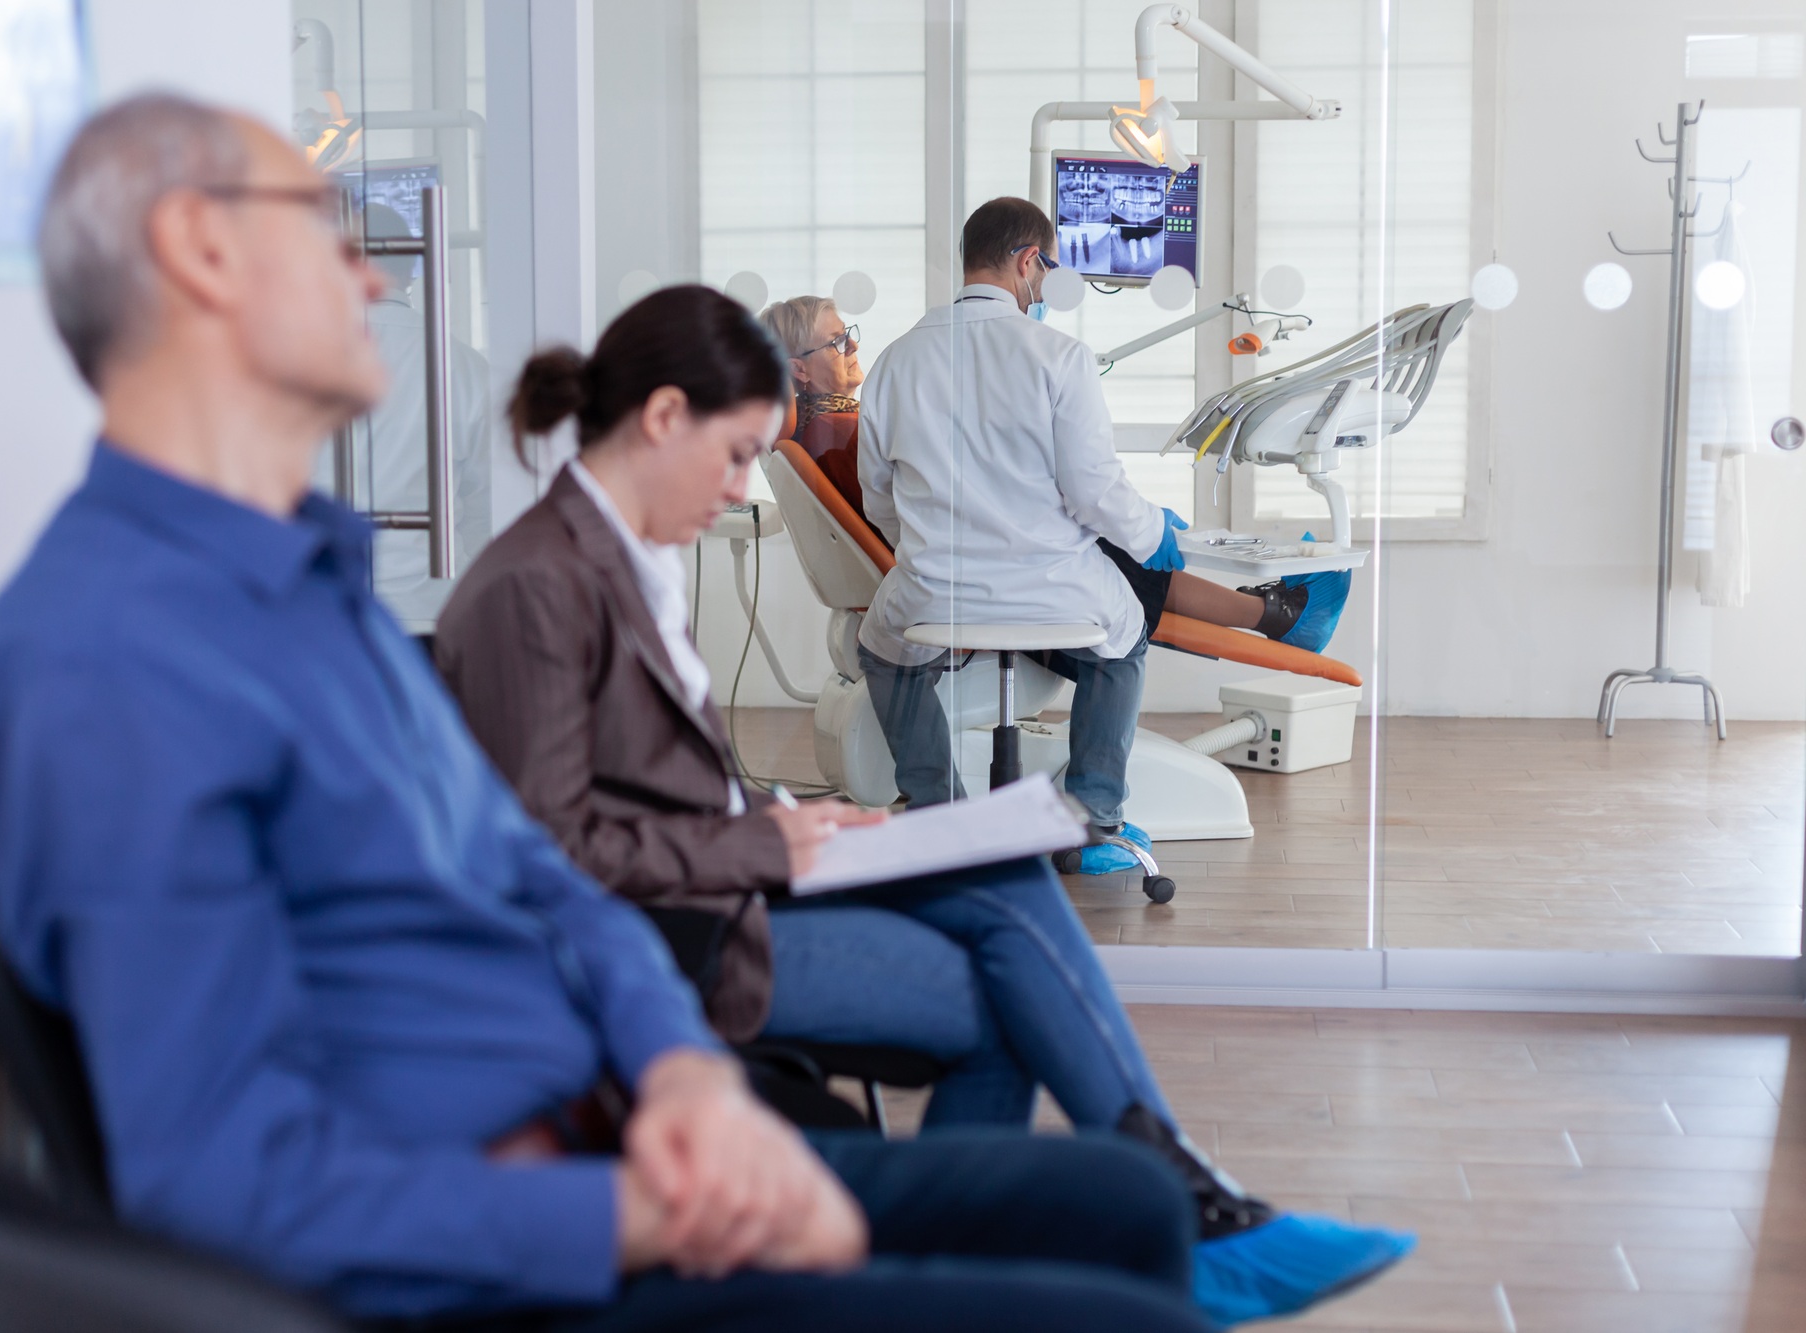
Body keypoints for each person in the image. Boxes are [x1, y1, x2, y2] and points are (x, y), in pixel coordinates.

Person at [0, 90, 1231, 1333]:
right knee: (1123, 1282)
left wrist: (674, 1073)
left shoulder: (312, 591)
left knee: (1116, 1202)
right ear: (199, 247)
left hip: (610, 1112)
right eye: (327, 230)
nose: (375, 275)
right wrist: (637, 1213)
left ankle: (1153, 1174)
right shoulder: (107, 665)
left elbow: (529, 877)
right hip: (529, 1249)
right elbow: (232, 1187)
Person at [433, 283, 1412, 1324]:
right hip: (668, 940)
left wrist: (780, 813)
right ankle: (1171, 1216)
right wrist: (763, 843)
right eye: (732, 457)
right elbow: (552, 853)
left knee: (992, 870)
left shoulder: (622, 566)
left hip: (725, 886)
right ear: (663, 415)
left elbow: (655, 783)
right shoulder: (532, 587)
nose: (734, 492)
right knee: (1005, 992)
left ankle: (1139, 1217)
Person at [852, 199, 1348, 877]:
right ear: (1029, 262)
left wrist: (937, 547)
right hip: (1053, 588)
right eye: (1047, 269)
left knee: (883, 651)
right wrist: (1155, 538)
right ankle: (1089, 814)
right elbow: (1093, 489)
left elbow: (879, 493)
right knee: (1122, 643)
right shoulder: (1059, 356)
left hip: (937, 590)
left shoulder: (893, 361)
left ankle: (940, 814)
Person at [756, 295, 1349, 651]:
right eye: (834, 343)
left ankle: (1268, 608)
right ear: (799, 372)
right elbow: (895, 508)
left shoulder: (830, 426)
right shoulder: (835, 434)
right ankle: (1273, 613)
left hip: (952, 556)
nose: (852, 348)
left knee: (1112, 542)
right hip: (954, 568)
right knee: (1113, 548)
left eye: (849, 334)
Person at [348, 201, 492, 600]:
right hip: (435, 602)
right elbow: (485, 511)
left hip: (333, 606)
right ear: (412, 272)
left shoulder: (300, 367)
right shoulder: (468, 369)